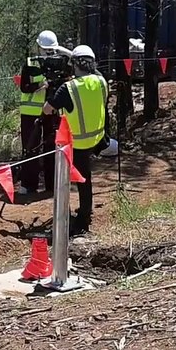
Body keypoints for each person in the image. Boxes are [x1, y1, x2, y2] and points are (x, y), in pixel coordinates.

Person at [41, 45, 109, 235]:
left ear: (74, 65)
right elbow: (96, 74)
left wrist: (53, 90)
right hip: (96, 137)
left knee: (76, 178)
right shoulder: (101, 81)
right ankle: (86, 209)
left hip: (77, 142)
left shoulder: (68, 88)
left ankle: (81, 219)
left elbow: (47, 109)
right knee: (85, 177)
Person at [16, 31, 71, 196]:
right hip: (30, 113)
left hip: (52, 110)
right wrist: (41, 85)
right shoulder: (30, 63)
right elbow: (24, 87)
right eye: (45, 50)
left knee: (51, 146)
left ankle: (52, 184)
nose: (48, 53)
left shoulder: (61, 63)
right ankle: (28, 184)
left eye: (51, 50)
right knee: (30, 147)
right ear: (38, 47)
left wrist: (64, 53)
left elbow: (69, 76)